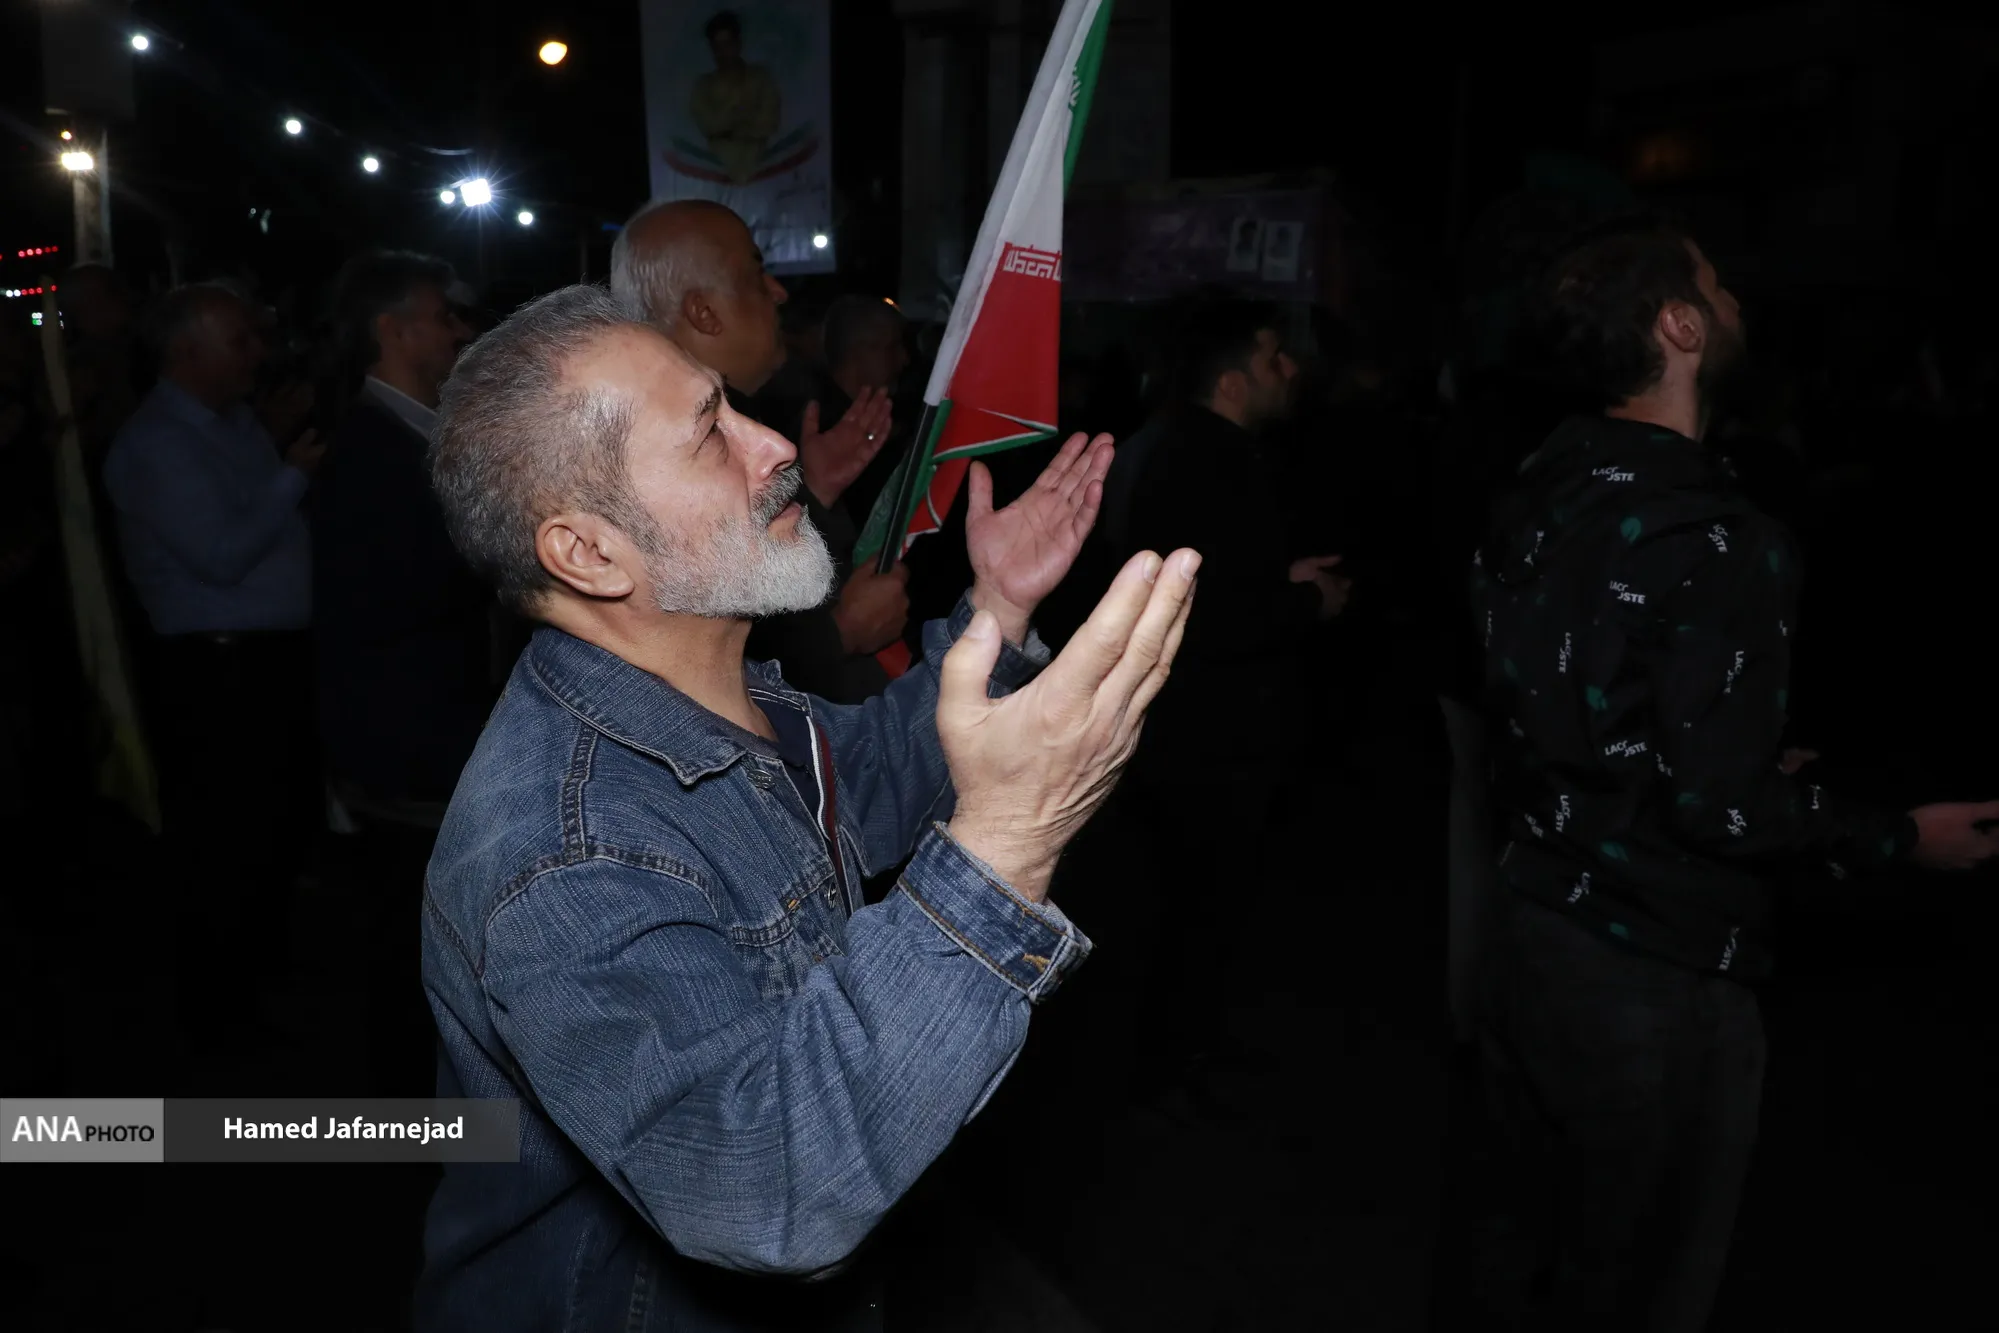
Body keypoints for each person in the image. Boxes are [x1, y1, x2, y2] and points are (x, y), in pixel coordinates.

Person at [416, 283, 1193, 1331]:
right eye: (709, 434)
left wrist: (998, 610)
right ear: (588, 552)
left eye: (732, 405)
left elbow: (870, 778)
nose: (774, 443)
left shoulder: (712, 699)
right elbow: (765, 1188)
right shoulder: (567, 851)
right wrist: (1008, 842)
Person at [1467, 219, 1999, 1331]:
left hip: (1529, 923)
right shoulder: (1719, 533)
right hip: (1654, 961)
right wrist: (1905, 836)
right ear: (1680, 326)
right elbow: (1718, 808)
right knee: (1639, 1282)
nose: (1735, 299)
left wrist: (1723, 742)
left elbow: (1581, 699)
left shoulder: (1542, 479)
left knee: (1523, 1247)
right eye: (1715, 285)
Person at [1088, 297, 1347, 1092]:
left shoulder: (1158, 445)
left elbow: (1201, 573)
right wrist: (1306, 602)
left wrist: (1277, 577)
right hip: (1210, 736)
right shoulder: (1215, 458)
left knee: (1173, 906)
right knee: (1198, 909)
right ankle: (1176, 1066)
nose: (1289, 370)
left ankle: (1165, 1054)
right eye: (1272, 356)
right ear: (1231, 382)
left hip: (1170, 730)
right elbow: (1209, 614)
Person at [102, 282, 327, 1055]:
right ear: (184, 350)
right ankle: (218, 1012)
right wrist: (292, 471)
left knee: (269, 830)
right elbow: (221, 555)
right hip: (216, 669)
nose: (257, 353)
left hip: (259, 659)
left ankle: (254, 979)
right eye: (240, 340)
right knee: (225, 841)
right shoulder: (157, 442)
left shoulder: (232, 424)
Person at [612, 200, 904, 702]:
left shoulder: (740, 414)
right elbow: (679, 684)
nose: (778, 291)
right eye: (755, 273)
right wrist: (839, 636)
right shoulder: (644, 462)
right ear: (704, 312)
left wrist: (815, 492)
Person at [309, 250, 480, 1091]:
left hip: (430, 728)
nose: (458, 333)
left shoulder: (418, 435)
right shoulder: (372, 447)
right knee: (410, 942)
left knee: (427, 939)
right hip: (408, 741)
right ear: (394, 329)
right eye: (442, 317)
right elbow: (383, 601)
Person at [690, 10, 780, 184]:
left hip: (764, 171)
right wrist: (740, 117)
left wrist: (732, 130)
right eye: (717, 47)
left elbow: (770, 121)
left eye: (728, 44)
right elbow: (709, 125)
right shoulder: (703, 86)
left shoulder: (761, 78)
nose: (723, 52)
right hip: (718, 173)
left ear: (738, 44)